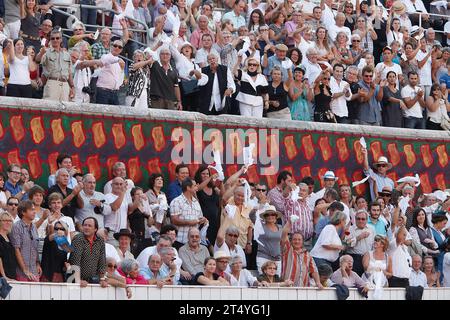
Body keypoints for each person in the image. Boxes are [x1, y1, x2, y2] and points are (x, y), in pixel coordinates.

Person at [281, 219, 322, 288]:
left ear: (303, 241)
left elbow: (314, 270)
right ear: (291, 241)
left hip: (303, 289)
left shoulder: (308, 255)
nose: (297, 241)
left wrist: (318, 283)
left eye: (299, 239)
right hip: (287, 288)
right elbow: (284, 234)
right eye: (294, 239)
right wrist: (289, 222)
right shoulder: (287, 249)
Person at [36, 29, 74, 102]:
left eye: (57, 38)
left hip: (65, 84)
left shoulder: (67, 54)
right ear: (50, 40)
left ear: (61, 39)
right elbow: (37, 60)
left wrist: (72, 86)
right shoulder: (46, 52)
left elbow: (69, 72)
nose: (55, 40)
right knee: (50, 108)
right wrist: (41, 53)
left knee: (64, 110)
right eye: (52, 38)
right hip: (52, 82)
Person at [68, 217, 107, 288]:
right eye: (85, 225)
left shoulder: (100, 241)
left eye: (89, 226)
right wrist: (78, 280)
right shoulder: (78, 239)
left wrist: (102, 279)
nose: (86, 227)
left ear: (95, 229)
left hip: (93, 280)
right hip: (74, 279)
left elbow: (102, 262)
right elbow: (75, 261)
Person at [170, 178, 206, 249]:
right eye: (195, 186)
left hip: (195, 243)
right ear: (188, 188)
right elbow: (174, 220)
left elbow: (200, 218)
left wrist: (203, 220)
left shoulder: (196, 202)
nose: (197, 188)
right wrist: (190, 222)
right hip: (180, 241)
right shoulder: (176, 201)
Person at [11, 200, 40, 281]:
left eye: (34, 209)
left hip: (34, 271)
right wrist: (25, 270)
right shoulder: (16, 226)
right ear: (23, 212)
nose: (34, 212)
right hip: (21, 272)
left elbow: (35, 247)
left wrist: (37, 263)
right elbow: (17, 250)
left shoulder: (34, 227)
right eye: (31, 210)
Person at [194, 165, 222, 247]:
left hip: (215, 221)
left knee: (213, 245)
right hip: (204, 222)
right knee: (204, 244)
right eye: (203, 174)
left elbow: (222, 194)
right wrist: (210, 178)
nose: (205, 175)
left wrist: (221, 181)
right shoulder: (196, 185)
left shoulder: (213, 187)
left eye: (207, 174)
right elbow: (198, 189)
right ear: (199, 174)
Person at [345, 210, 376, 276]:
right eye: (358, 219)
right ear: (355, 219)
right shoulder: (349, 229)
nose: (360, 221)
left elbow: (374, 244)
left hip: (368, 258)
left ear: (367, 220)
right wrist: (358, 238)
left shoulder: (372, 228)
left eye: (363, 219)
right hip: (354, 258)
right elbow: (346, 244)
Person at [95, 39, 125, 105]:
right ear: (111, 46)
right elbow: (107, 59)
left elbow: (120, 77)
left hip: (114, 92)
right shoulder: (105, 56)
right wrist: (118, 59)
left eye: (119, 47)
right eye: (115, 46)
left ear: (121, 50)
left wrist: (118, 86)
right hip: (103, 92)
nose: (117, 48)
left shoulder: (120, 62)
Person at [255, 205, 282, 275]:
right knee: (264, 280)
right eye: (268, 215)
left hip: (277, 259)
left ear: (276, 216)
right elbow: (252, 216)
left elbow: (284, 241)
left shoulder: (280, 227)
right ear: (265, 217)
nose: (270, 216)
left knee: (276, 281)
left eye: (273, 214)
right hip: (263, 257)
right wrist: (256, 208)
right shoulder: (260, 226)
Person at [104, 177, 129, 247]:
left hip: (123, 234)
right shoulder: (106, 197)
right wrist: (123, 193)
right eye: (116, 184)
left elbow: (127, 213)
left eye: (121, 184)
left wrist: (138, 199)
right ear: (111, 185)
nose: (119, 186)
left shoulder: (124, 197)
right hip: (111, 233)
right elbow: (115, 207)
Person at [128, 187, 153, 256]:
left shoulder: (144, 206)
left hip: (144, 235)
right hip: (134, 236)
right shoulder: (130, 205)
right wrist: (139, 198)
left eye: (142, 193)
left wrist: (147, 204)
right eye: (137, 194)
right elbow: (133, 207)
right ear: (132, 196)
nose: (140, 195)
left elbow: (150, 223)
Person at [0, 211, 17, 280]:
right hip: (2, 278)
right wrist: (4, 276)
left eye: (10, 221)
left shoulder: (9, 237)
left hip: (11, 276)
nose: (8, 222)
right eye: (5, 220)